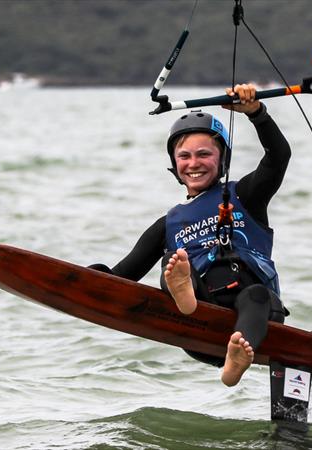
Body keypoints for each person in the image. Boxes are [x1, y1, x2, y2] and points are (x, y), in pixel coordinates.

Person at [90, 83, 290, 386]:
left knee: (256, 295)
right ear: (174, 164)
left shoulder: (247, 195)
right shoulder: (168, 224)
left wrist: (256, 113)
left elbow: (278, 157)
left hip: (254, 323)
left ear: (222, 159)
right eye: (184, 156)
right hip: (196, 323)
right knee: (174, 262)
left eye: (204, 154)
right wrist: (85, 278)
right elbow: (121, 277)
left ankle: (236, 360)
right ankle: (186, 298)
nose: (193, 163)